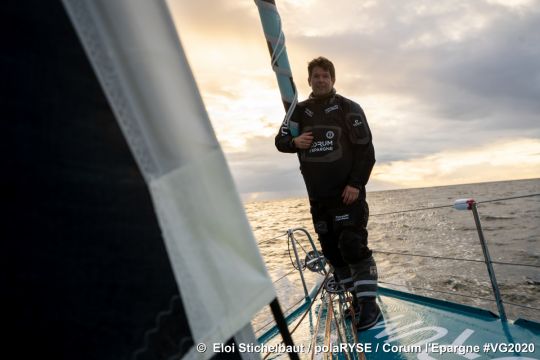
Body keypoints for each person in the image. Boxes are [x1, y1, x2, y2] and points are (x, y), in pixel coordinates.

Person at [275, 56, 380, 330]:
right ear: (308, 80)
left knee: (352, 246)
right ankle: (357, 300)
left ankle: (370, 306)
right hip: (318, 200)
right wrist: (294, 142)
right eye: (316, 76)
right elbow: (280, 140)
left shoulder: (348, 108)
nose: (321, 80)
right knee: (333, 254)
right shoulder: (298, 112)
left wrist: (355, 184)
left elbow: (366, 151)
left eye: (325, 75)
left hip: (348, 196)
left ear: (332, 79)